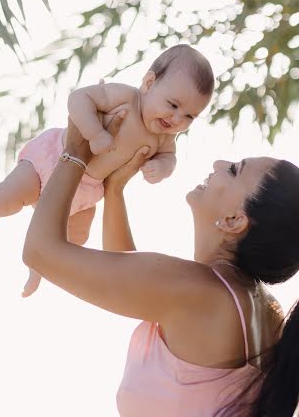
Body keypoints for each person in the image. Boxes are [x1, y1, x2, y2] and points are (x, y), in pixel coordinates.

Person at [22, 112, 299, 417]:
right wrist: (114, 190)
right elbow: (130, 281)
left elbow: (39, 252)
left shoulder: (201, 291)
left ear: (235, 220)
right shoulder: (259, 308)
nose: (219, 164)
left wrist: (74, 152)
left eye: (234, 170)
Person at [0, 44, 214, 296]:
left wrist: (161, 168)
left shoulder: (165, 140)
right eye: (173, 105)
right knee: (6, 198)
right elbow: (79, 98)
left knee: (74, 241)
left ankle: (39, 268)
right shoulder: (126, 97)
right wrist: (95, 132)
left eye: (190, 116)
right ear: (149, 83)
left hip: (89, 189)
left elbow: (170, 159)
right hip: (54, 160)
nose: (177, 119)